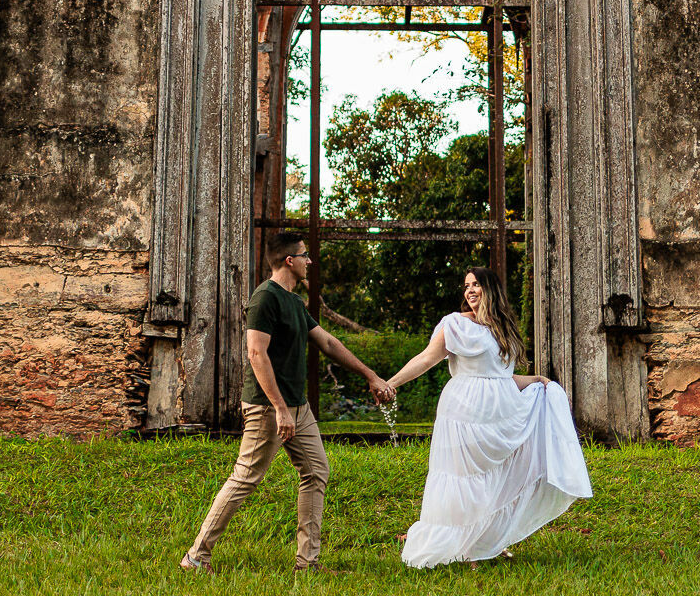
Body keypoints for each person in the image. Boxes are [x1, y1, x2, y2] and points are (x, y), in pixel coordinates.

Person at [182, 231, 397, 572]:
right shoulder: (265, 298)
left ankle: (307, 563)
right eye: (304, 255)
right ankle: (196, 556)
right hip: (268, 407)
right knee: (246, 477)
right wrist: (280, 408)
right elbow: (256, 353)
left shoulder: (295, 302)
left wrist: (370, 375)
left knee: (316, 472)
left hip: (298, 407)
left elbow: (327, 342)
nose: (309, 260)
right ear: (289, 260)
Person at [384, 267, 592, 568]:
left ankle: (484, 543)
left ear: (491, 289)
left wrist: (537, 380)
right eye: (466, 285)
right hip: (464, 414)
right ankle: (461, 548)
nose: (470, 290)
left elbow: (501, 378)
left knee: (493, 481)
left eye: (476, 284)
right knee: (464, 480)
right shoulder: (455, 325)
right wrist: (391, 383)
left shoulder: (502, 328)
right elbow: (427, 358)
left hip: (501, 415)